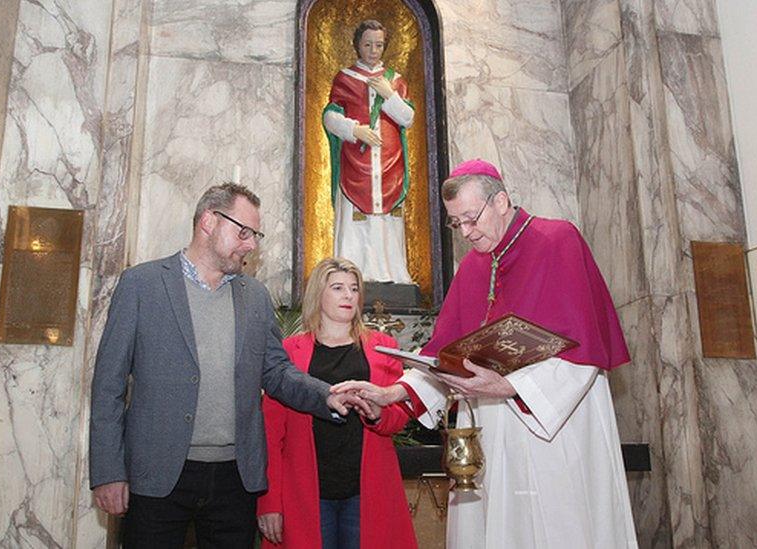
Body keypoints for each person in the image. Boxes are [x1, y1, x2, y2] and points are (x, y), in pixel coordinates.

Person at [334, 160, 638, 548]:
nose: (465, 232)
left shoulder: (557, 240)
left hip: (555, 428)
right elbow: (444, 355)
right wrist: (392, 393)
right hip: (493, 432)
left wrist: (511, 386)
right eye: (455, 223)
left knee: (560, 524)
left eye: (471, 218)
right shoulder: (474, 268)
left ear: (501, 201)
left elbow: (584, 349)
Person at [88, 183, 371, 549]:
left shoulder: (254, 296)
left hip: (235, 478)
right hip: (157, 475)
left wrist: (327, 396)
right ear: (208, 221)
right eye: (244, 232)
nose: (251, 244)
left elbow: (276, 371)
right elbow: (107, 385)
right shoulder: (141, 284)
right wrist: (108, 472)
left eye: (254, 235)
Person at [256, 258, 417, 549]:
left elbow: (399, 417)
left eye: (354, 289)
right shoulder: (290, 351)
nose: (348, 296)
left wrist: (379, 414)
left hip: (367, 490)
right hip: (305, 491)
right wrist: (269, 502)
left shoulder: (383, 347)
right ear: (319, 294)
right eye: (338, 288)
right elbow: (270, 432)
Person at [323, 19, 415, 283]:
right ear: (357, 46)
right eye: (368, 44)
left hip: (389, 163)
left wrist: (389, 95)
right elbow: (330, 115)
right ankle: (353, 275)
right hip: (357, 162)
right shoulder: (345, 77)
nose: (374, 50)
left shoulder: (394, 80)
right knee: (356, 223)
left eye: (379, 45)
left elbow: (407, 118)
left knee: (387, 221)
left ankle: (391, 274)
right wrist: (354, 130)